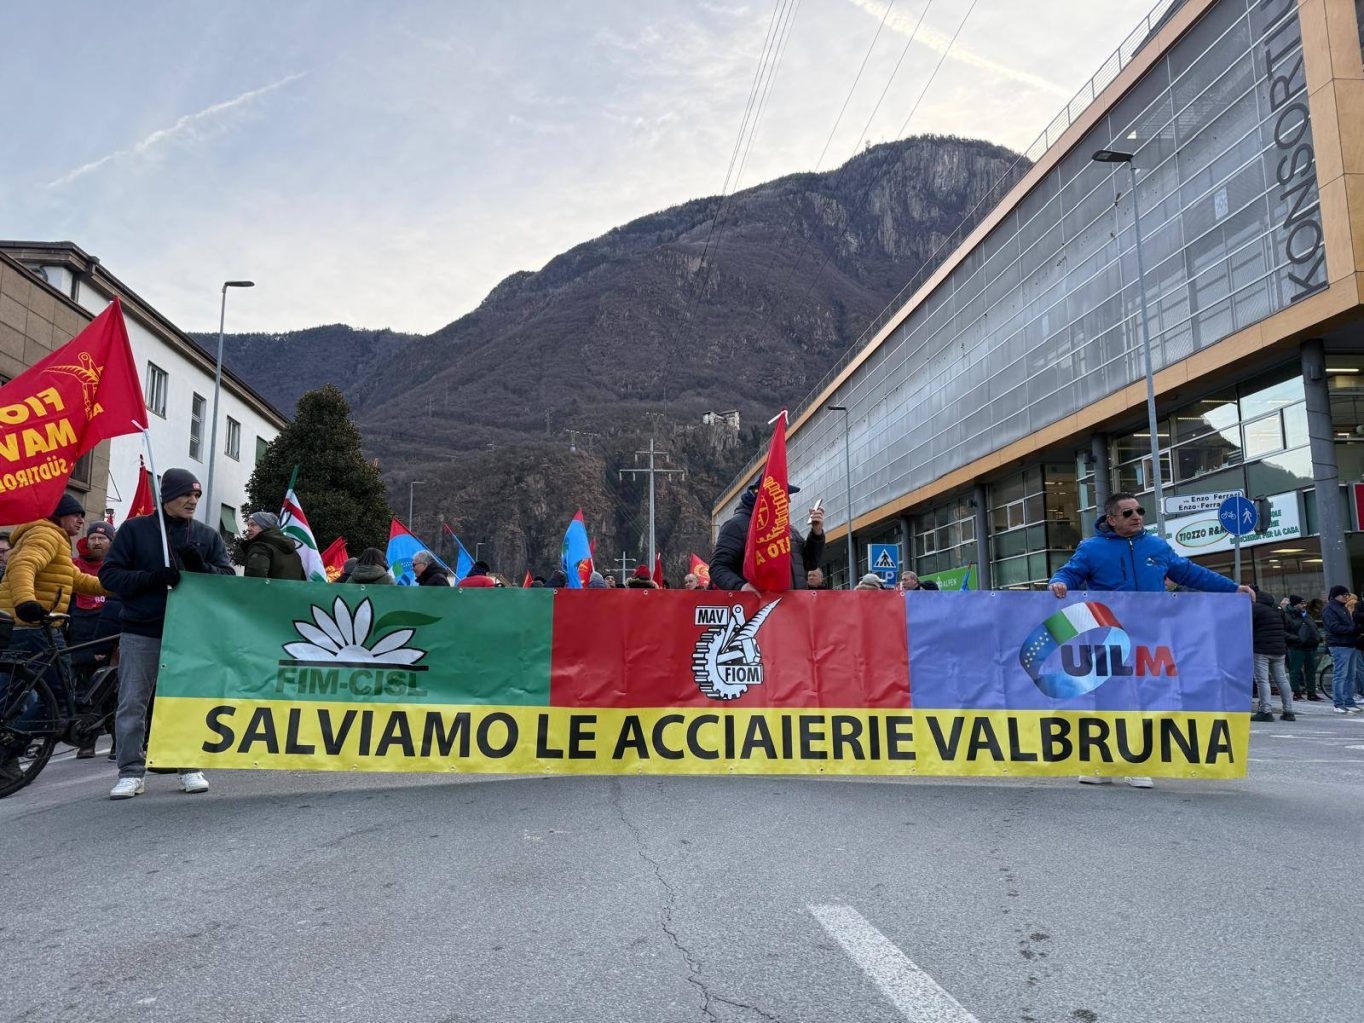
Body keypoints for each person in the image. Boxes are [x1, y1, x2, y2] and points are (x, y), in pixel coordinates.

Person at [1048, 492, 1252, 788]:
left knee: (1145, 698)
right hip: (1108, 638)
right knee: (1107, 698)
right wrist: (1059, 582)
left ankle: (1137, 762)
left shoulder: (1157, 546)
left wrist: (1232, 589)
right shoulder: (1091, 549)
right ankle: (1099, 763)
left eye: (1139, 511)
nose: (1136, 516)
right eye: (1128, 513)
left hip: (1151, 638)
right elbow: (1070, 572)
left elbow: (1190, 573)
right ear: (1111, 519)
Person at [99, 468, 234, 799]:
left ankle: (188, 765)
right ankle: (131, 771)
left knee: (187, 702)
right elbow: (109, 576)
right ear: (167, 496)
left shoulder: (207, 536)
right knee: (132, 702)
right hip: (142, 630)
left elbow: (228, 581)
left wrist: (201, 568)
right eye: (186, 494)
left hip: (190, 633)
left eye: (197, 495)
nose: (192, 500)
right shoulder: (134, 530)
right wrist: (151, 578)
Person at [0, 495, 108, 782]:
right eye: (75, 514)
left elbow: (78, 580)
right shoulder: (46, 534)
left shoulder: (55, 538)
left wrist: (124, 587)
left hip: (22, 626)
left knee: (9, 696)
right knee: (58, 698)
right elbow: (23, 565)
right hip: (35, 626)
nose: (81, 520)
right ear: (58, 515)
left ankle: (6, 760)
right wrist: (26, 602)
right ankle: (7, 752)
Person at [710, 476, 825, 592]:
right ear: (768, 495)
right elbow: (718, 567)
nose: (788, 501)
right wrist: (741, 587)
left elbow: (810, 563)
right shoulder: (736, 526)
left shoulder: (789, 529)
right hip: (757, 602)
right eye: (784, 495)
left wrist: (816, 533)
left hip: (794, 601)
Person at [69, 522, 120, 757]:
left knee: (113, 691)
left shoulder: (117, 566)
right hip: (81, 637)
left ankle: (118, 743)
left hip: (111, 638)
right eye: (93, 538)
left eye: (102, 538)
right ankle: (86, 741)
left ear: (111, 542)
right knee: (84, 691)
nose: (96, 542)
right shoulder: (74, 566)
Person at [1250, 586, 1294, 722]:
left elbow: (1247, 626)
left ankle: (1265, 711)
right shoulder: (1276, 609)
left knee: (1262, 680)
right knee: (1282, 679)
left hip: (1262, 649)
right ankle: (1288, 711)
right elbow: (1288, 624)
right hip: (1279, 649)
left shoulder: (1255, 608)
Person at [1322, 585, 1362, 713]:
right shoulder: (1329, 608)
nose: (1346, 597)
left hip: (1350, 644)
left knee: (1351, 675)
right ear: (1336, 595)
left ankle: (1349, 702)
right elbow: (1334, 627)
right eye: (1344, 595)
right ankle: (1338, 704)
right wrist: (1353, 629)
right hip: (1339, 645)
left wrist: (1356, 630)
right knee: (1340, 675)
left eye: (1347, 595)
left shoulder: (1342, 607)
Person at [240, 511, 307, 580]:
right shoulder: (294, 553)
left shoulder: (261, 547)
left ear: (266, 526)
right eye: (248, 525)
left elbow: (254, 581)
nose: (248, 529)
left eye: (253, 525)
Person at [1282, 595, 1320, 701]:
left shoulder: (1307, 615)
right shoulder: (1287, 615)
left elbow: (1313, 627)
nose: (1304, 605)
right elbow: (1283, 631)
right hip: (1296, 647)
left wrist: (1317, 638)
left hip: (1310, 646)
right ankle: (1297, 693)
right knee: (1295, 670)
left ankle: (1311, 693)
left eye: (1305, 603)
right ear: (1295, 605)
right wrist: (1296, 639)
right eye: (1301, 603)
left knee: (1311, 671)